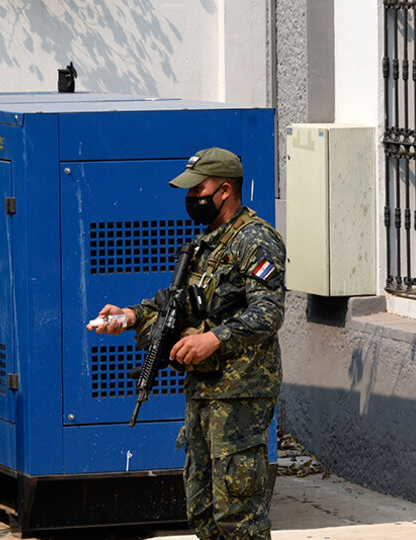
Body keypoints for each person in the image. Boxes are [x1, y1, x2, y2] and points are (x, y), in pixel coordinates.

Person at [90, 147, 285, 540]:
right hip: (204, 393)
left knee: (238, 516)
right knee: (203, 511)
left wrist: (213, 339)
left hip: (240, 396)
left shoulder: (256, 240)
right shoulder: (206, 244)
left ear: (225, 190)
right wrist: (129, 316)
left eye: (199, 189)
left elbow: (269, 312)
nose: (190, 197)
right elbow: (176, 303)